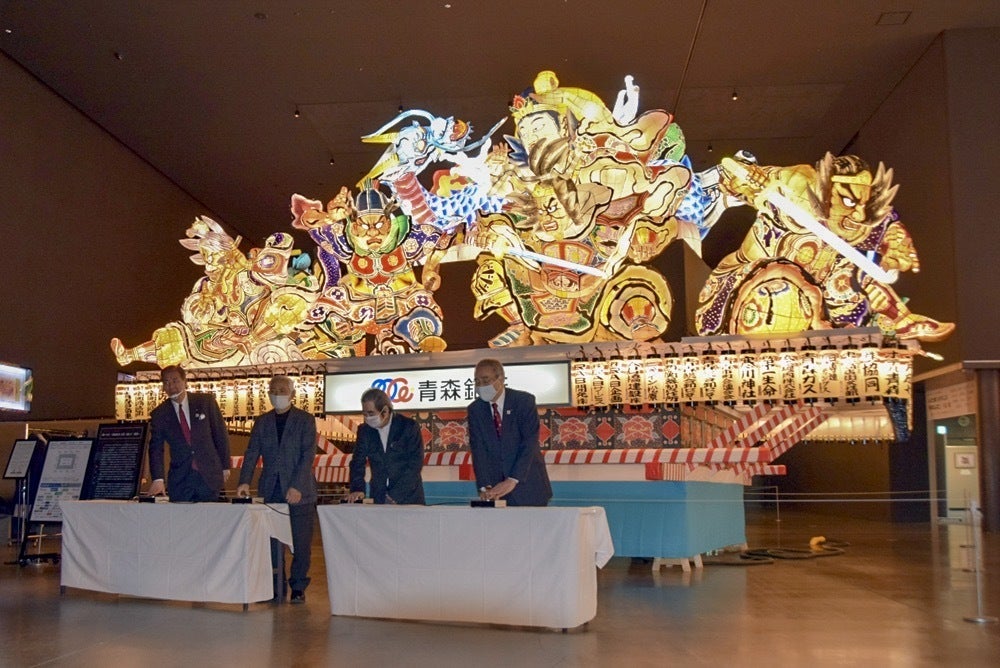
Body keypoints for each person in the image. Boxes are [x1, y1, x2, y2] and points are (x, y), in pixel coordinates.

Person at [237, 375, 318, 604]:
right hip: (270, 489)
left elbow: (307, 455)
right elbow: (252, 452)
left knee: (301, 542)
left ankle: (298, 586)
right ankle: (275, 586)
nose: (277, 394)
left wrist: (297, 485)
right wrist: (244, 481)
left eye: (282, 390)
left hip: (300, 491)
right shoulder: (262, 422)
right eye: (273, 390)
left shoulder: (305, 420)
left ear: (292, 394)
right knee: (271, 541)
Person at [467, 358, 551, 506]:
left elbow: (529, 443)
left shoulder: (523, 401)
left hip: (528, 486)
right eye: (477, 382)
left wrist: (512, 480)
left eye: (485, 380)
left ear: (500, 378)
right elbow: (478, 450)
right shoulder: (475, 409)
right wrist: (485, 486)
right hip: (495, 491)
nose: (481, 386)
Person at [146, 365, 230, 502]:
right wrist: (158, 479)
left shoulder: (205, 402)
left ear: (185, 381)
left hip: (210, 476)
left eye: (175, 381)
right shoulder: (160, 413)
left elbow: (220, 434)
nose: (171, 386)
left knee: (213, 513)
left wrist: (225, 466)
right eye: (166, 382)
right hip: (181, 480)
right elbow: (156, 448)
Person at [346, 388, 425, 504]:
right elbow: (357, 461)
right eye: (365, 414)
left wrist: (395, 495)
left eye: (371, 413)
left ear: (385, 411)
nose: (367, 418)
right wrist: (357, 488)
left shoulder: (408, 427)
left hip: (408, 497)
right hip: (378, 496)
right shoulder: (365, 431)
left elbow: (415, 463)